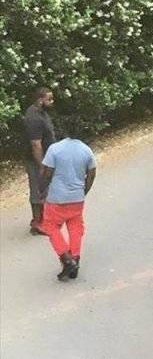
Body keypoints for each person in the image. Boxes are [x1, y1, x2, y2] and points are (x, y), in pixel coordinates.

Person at [40, 117, 96, 280]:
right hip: (77, 198)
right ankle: (76, 258)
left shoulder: (55, 149)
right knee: (75, 227)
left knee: (50, 226)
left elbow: (48, 172)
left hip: (57, 198)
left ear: (64, 130)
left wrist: (42, 188)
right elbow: (91, 174)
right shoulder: (86, 150)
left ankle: (66, 258)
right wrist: (83, 191)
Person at [23, 86, 55, 234]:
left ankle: (44, 219)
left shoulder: (42, 113)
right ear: (40, 99)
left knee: (45, 188)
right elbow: (36, 144)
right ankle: (37, 223)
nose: (52, 101)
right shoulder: (33, 117)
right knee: (38, 189)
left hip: (46, 158)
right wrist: (41, 164)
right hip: (36, 159)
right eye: (49, 99)